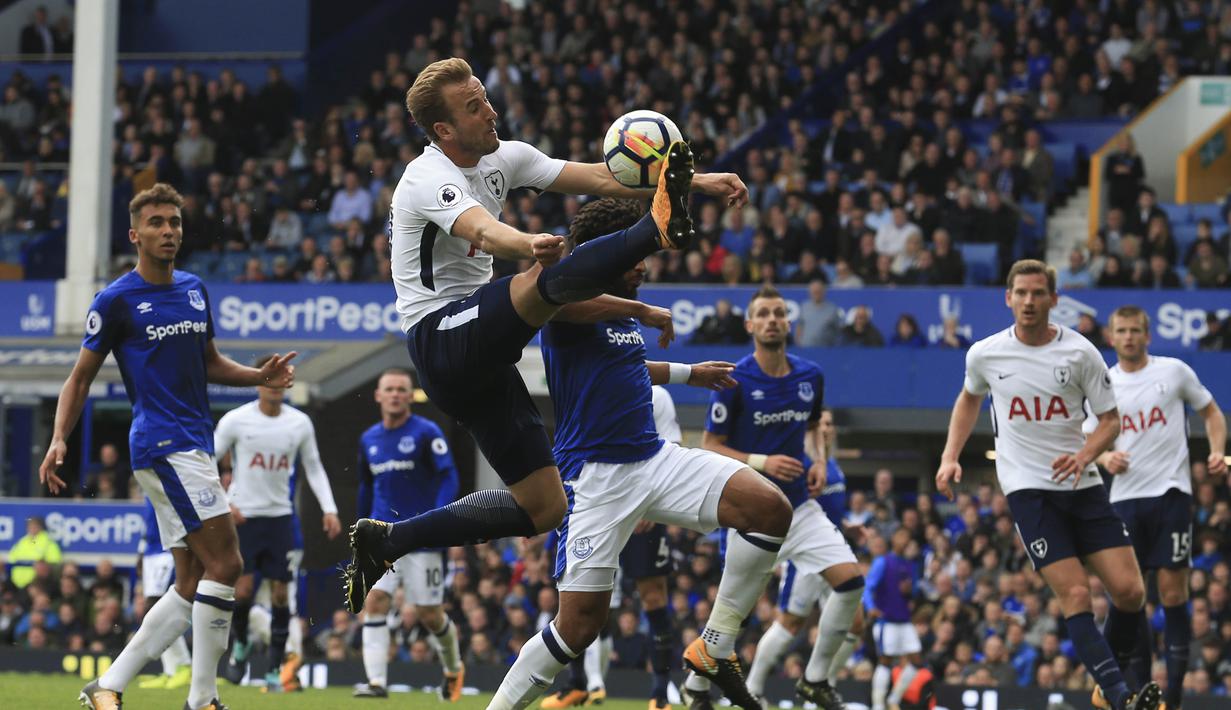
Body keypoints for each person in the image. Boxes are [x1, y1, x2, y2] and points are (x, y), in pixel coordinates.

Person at [344, 58, 747, 611]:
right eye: (473, 108)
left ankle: (388, 540)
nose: (491, 112)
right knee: (539, 281)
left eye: (484, 97)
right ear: (442, 131)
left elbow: (604, 177)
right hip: (441, 337)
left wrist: (695, 182)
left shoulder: (503, 157)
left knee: (545, 508)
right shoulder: (424, 177)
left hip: (483, 358)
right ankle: (653, 230)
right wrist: (526, 244)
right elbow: (481, 230)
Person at [490, 199, 790, 710]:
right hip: (593, 477)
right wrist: (641, 310)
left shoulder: (616, 311)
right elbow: (562, 306)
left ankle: (714, 648)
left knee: (770, 510)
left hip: (654, 459)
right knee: (579, 625)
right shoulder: (565, 290)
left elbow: (628, 365)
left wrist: (687, 373)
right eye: (630, 253)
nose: (641, 263)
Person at [42, 183, 296, 710]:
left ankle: (107, 687)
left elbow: (210, 363)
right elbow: (79, 378)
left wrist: (258, 375)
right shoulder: (115, 300)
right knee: (227, 565)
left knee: (191, 577)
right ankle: (202, 699)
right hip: (164, 444)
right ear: (136, 234)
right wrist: (59, 437)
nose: (168, 231)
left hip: (192, 443)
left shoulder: (195, 289)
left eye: (175, 223)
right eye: (156, 223)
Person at [935, 259, 1161, 710]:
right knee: (1076, 593)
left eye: (1038, 293)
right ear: (1008, 298)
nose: (1029, 301)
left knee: (1132, 592)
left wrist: (1083, 455)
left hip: (1083, 482)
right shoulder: (985, 353)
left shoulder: (1080, 353)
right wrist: (949, 457)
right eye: (1021, 293)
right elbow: (969, 398)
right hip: (1028, 489)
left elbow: (1111, 422)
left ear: (1054, 300)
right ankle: (1120, 697)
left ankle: (1105, 684)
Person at [685, 285, 864, 710]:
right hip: (752, 513)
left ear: (789, 323)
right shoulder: (734, 379)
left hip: (800, 508)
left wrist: (820, 459)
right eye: (762, 314)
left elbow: (811, 426)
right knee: (733, 616)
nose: (771, 320)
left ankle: (816, 680)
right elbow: (710, 444)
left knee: (851, 583)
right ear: (749, 325)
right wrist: (763, 463)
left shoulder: (810, 375)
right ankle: (694, 688)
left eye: (778, 313)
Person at [1085, 306, 1227, 710]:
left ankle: (1176, 698)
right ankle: (1146, 694)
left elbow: (1212, 412)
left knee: (1172, 593)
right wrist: (1104, 458)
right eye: (1121, 331)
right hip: (1124, 501)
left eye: (1135, 330)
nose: (1128, 337)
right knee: (1131, 597)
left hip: (1171, 495)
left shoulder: (1173, 372)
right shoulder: (1104, 383)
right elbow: (1085, 443)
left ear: (1147, 335)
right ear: (1111, 337)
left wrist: (1218, 451)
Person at [541, 383, 685, 710]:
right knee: (578, 600)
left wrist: (651, 505)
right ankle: (576, 683)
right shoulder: (587, 391)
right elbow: (571, 453)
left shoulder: (656, 395)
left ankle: (660, 693)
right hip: (596, 511)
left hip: (644, 515)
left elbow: (672, 451)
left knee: (653, 598)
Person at [214, 361, 341, 693]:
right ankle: (240, 643)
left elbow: (314, 467)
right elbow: (207, 460)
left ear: (287, 383)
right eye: (267, 377)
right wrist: (223, 502)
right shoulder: (236, 421)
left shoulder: (299, 424)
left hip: (281, 519)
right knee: (241, 593)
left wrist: (330, 509)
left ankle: (273, 670)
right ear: (257, 382)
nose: (273, 384)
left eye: (280, 378)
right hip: (245, 518)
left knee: (282, 596)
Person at [352, 368, 464, 701]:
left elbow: (449, 476)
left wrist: (439, 518)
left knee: (429, 614)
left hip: (421, 536)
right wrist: (361, 530)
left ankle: (454, 669)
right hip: (382, 535)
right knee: (375, 601)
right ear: (378, 395)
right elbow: (366, 487)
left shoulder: (427, 432)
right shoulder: (368, 439)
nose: (396, 394)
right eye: (390, 389)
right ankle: (376, 683)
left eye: (402, 389)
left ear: (410, 395)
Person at [745, 408, 866, 703]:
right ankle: (754, 687)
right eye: (821, 423)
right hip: (807, 556)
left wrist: (848, 527)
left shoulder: (831, 463)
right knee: (790, 623)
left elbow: (829, 509)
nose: (826, 428)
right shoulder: (803, 461)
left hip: (834, 550)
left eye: (830, 424)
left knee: (856, 624)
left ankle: (822, 683)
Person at [135, 498, 192, 691]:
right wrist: (141, 553)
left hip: (166, 549)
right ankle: (171, 670)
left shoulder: (168, 472)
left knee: (158, 608)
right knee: (152, 612)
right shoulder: (148, 477)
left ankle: (184, 665)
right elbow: (148, 520)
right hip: (151, 551)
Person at [7, 516, 61, 589]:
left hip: (38, 585)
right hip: (17, 583)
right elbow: (12, 558)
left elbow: (54, 563)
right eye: (30, 526)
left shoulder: (48, 543)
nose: (32, 528)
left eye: (35, 526)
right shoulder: (22, 542)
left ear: (41, 527)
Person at [796, 279, 842, 348]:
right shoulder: (804, 307)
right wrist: (798, 343)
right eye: (814, 292)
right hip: (805, 349)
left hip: (825, 350)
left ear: (824, 292)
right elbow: (800, 326)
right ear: (810, 292)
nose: (816, 294)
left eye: (818, 292)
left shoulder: (832, 309)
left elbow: (838, 331)